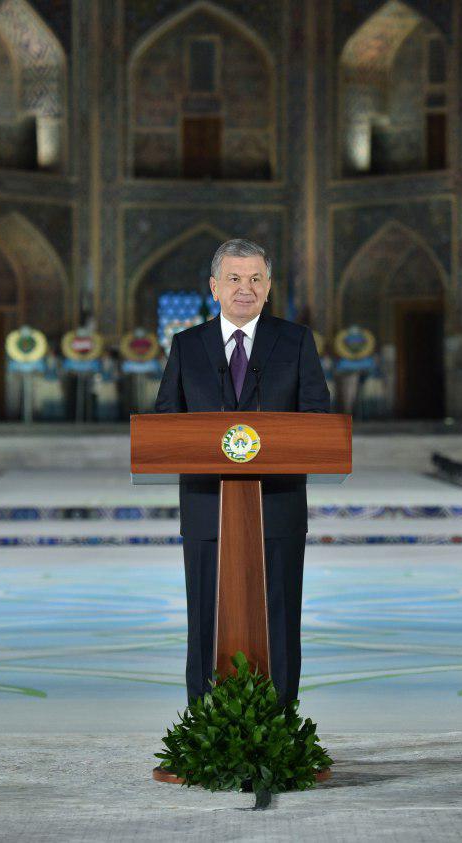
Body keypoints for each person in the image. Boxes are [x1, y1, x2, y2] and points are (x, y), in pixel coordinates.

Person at [155, 238, 331, 708]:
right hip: (206, 511)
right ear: (215, 287)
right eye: (234, 278)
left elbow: (318, 421)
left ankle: (281, 723)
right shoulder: (186, 345)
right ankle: (203, 726)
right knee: (205, 619)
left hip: (277, 509)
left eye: (255, 278)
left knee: (280, 616)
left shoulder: (295, 341)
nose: (245, 288)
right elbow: (166, 426)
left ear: (269, 287)